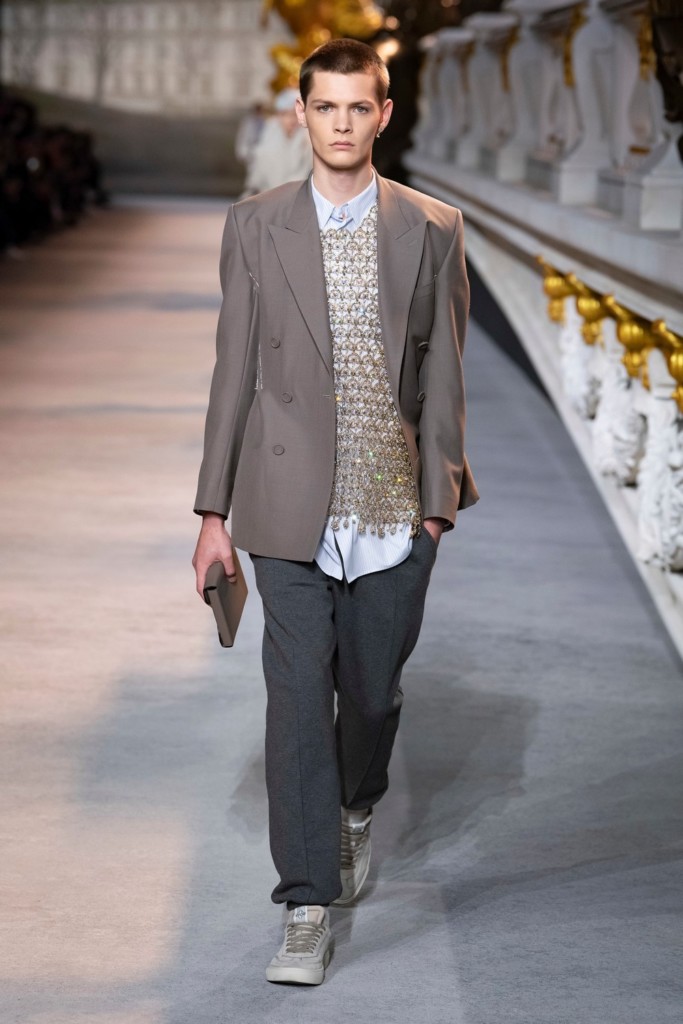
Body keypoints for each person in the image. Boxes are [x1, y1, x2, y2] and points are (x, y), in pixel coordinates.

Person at [192, 38, 479, 985]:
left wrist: (436, 506)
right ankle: (305, 904)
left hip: (394, 511)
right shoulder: (254, 224)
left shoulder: (433, 227)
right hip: (283, 508)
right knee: (294, 704)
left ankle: (357, 804)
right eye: (326, 107)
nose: (342, 124)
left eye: (360, 107)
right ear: (302, 113)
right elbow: (232, 372)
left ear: (383, 114)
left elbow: (445, 373)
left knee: (371, 695)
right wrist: (212, 513)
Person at [241, 88, 312, 196]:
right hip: (268, 197)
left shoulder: (309, 138)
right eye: (286, 114)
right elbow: (259, 169)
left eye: (295, 114)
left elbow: (308, 173)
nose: (291, 120)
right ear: (279, 115)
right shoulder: (269, 133)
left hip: (298, 197)